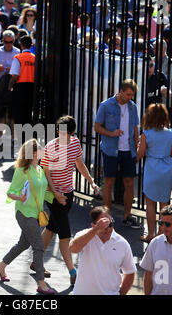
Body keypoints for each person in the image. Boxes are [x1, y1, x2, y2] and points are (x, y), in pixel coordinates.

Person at [39, 115, 99, 285]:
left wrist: (91, 182)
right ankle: (73, 272)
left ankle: (36, 262)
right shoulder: (51, 147)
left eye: (66, 133)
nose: (62, 135)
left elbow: (79, 164)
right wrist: (56, 193)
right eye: (60, 132)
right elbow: (46, 172)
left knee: (51, 228)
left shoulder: (75, 143)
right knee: (65, 233)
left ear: (72, 133)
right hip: (55, 196)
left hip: (69, 193)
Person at [0, 139, 55, 295]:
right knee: (38, 245)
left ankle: (1, 265)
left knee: (23, 244)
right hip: (24, 213)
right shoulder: (22, 171)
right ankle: (41, 283)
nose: (43, 151)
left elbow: (43, 190)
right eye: (41, 149)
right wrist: (19, 197)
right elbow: (10, 192)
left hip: (36, 214)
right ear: (34, 153)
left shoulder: (40, 170)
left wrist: (57, 197)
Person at [94, 79, 140, 229]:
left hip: (128, 150)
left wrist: (137, 148)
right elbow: (96, 126)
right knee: (108, 183)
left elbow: (135, 128)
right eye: (127, 94)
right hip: (111, 150)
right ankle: (106, 218)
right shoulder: (106, 105)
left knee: (129, 183)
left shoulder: (133, 107)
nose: (129, 98)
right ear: (121, 91)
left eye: (132, 95)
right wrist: (111, 133)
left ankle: (127, 216)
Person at [69, 205, 136, 295]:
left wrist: (121, 293)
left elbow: (130, 272)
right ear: (93, 225)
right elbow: (73, 248)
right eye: (103, 225)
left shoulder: (122, 243)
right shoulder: (84, 235)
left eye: (110, 224)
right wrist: (95, 230)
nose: (108, 229)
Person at [136, 104, 172, 243]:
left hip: (152, 169)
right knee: (164, 204)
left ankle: (150, 235)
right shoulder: (170, 133)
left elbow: (140, 154)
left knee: (150, 204)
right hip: (166, 171)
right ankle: (162, 233)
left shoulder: (146, 133)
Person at [0, 30, 20, 139]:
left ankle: (13, 136)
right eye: (6, 42)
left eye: (10, 42)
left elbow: (21, 70)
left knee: (13, 111)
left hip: (13, 86)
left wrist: (13, 70)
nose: (8, 45)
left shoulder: (17, 52)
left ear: (14, 41)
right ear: (3, 41)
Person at [8, 35, 35, 136]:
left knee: (19, 114)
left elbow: (15, 76)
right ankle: (30, 135)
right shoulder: (35, 58)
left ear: (21, 45)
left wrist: (10, 86)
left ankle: (21, 138)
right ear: (31, 45)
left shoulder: (18, 58)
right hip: (32, 88)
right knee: (29, 114)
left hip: (20, 88)